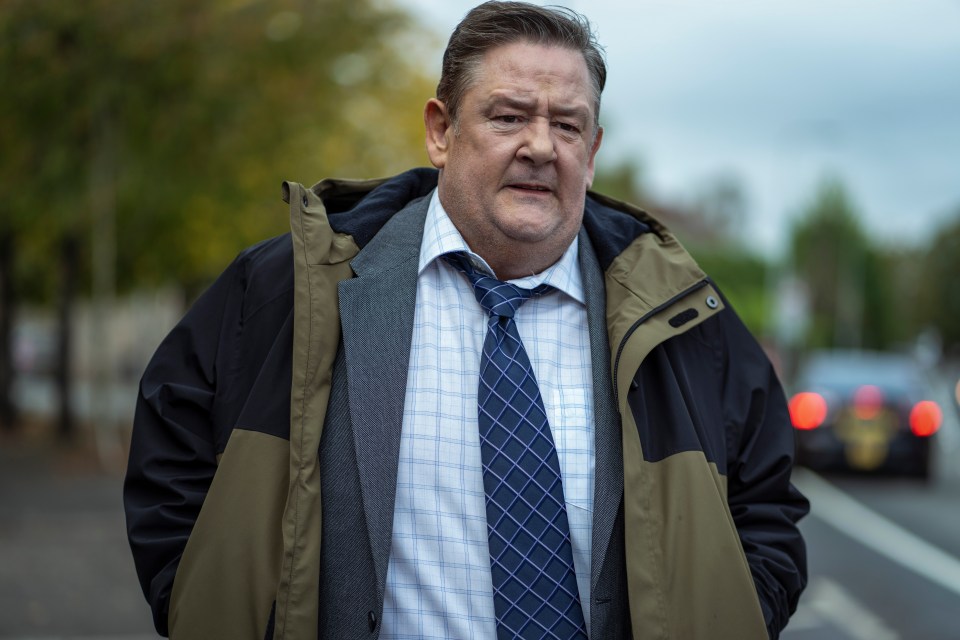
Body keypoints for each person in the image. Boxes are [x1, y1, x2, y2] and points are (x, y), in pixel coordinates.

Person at [124, 2, 809, 639]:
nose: (542, 147)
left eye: (567, 125)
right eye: (509, 116)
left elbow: (766, 507)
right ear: (441, 131)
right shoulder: (296, 286)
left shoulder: (681, 316)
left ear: (592, 153)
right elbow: (171, 462)